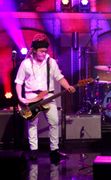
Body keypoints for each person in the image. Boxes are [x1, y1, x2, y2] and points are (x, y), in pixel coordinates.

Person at [15, 33, 76, 163]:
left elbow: (59, 77)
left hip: (48, 96)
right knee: (32, 124)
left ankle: (54, 150)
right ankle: (33, 151)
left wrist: (68, 86)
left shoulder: (51, 62)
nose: (44, 54)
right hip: (32, 96)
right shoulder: (25, 64)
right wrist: (21, 98)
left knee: (54, 122)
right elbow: (19, 82)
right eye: (41, 51)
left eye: (45, 51)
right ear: (35, 51)